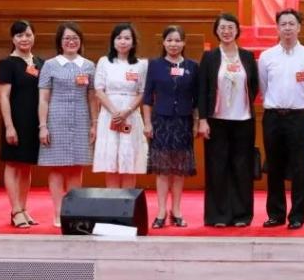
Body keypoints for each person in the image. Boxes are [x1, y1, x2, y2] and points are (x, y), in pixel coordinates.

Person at [258, 9, 304, 231]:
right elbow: (263, 87)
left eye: (291, 24)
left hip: (298, 117)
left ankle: (297, 216)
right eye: (283, 24)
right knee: (274, 166)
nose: (287, 28)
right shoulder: (267, 56)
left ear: (299, 27)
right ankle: (276, 214)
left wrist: (302, 106)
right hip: (273, 117)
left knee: (300, 167)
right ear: (277, 28)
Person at [198, 13, 259, 227]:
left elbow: (254, 85)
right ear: (216, 31)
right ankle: (218, 216)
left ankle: (242, 215)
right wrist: (202, 119)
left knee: (242, 168)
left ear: (237, 30)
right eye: (222, 27)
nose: (226, 31)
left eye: (230, 27)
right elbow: (202, 89)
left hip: (243, 120)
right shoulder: (210, 57)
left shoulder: (247, 57)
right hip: (216, 121)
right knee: (217, 168)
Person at [38, 22, 97, 226]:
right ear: (60, 42)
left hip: (81, 119)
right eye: (67, 38)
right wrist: (43, 126)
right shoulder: (50, 65)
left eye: (75, 38)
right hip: (56, 120)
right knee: (56, 168)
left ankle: (73, 211)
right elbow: (43, 98)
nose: (71, 42)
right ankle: (57, 212)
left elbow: (92, 98)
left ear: (80, 41)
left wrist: (94, 124)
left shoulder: (89, 65)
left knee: (76, 167)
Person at [142, 25, 198, 228]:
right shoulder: (155, 65)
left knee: (179, 169)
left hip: (183, 121)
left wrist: (196, 122)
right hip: (162, 122)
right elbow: (147, 98)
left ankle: (176, 210)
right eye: (170, 40)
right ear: (164, 42)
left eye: (177, 40)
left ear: (184, 42)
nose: (173, 44)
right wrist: (147, 123)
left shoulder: (193, 66)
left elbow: (197, 99)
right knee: (163, 169)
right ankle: (161, 211)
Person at [0, 20, 44, 227]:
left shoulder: (40, 63)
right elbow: (4, 96)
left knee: (26, 166)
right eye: (19, 35)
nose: (24, 39)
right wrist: (9, 126)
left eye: (28, 34)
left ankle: (23, 208)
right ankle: (15, 210)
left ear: (34, 36)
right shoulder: (7, 64)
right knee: (13, 164)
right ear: (12, 39)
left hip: (34, 122)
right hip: (15, 120)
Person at [93, 23, 148, 188]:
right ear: (113, 41)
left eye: (127, 38)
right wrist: (114, 112)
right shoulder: (104, 62)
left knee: (129, 161)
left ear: (133, 42)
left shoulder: (141, 64)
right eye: (119, 38)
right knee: (111, 160)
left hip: (131, 114)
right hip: (109, 114)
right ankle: (112, 201)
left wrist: (127, 111)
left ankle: (128, 202)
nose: (123, 41)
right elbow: (99, 90)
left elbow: (143, 91)